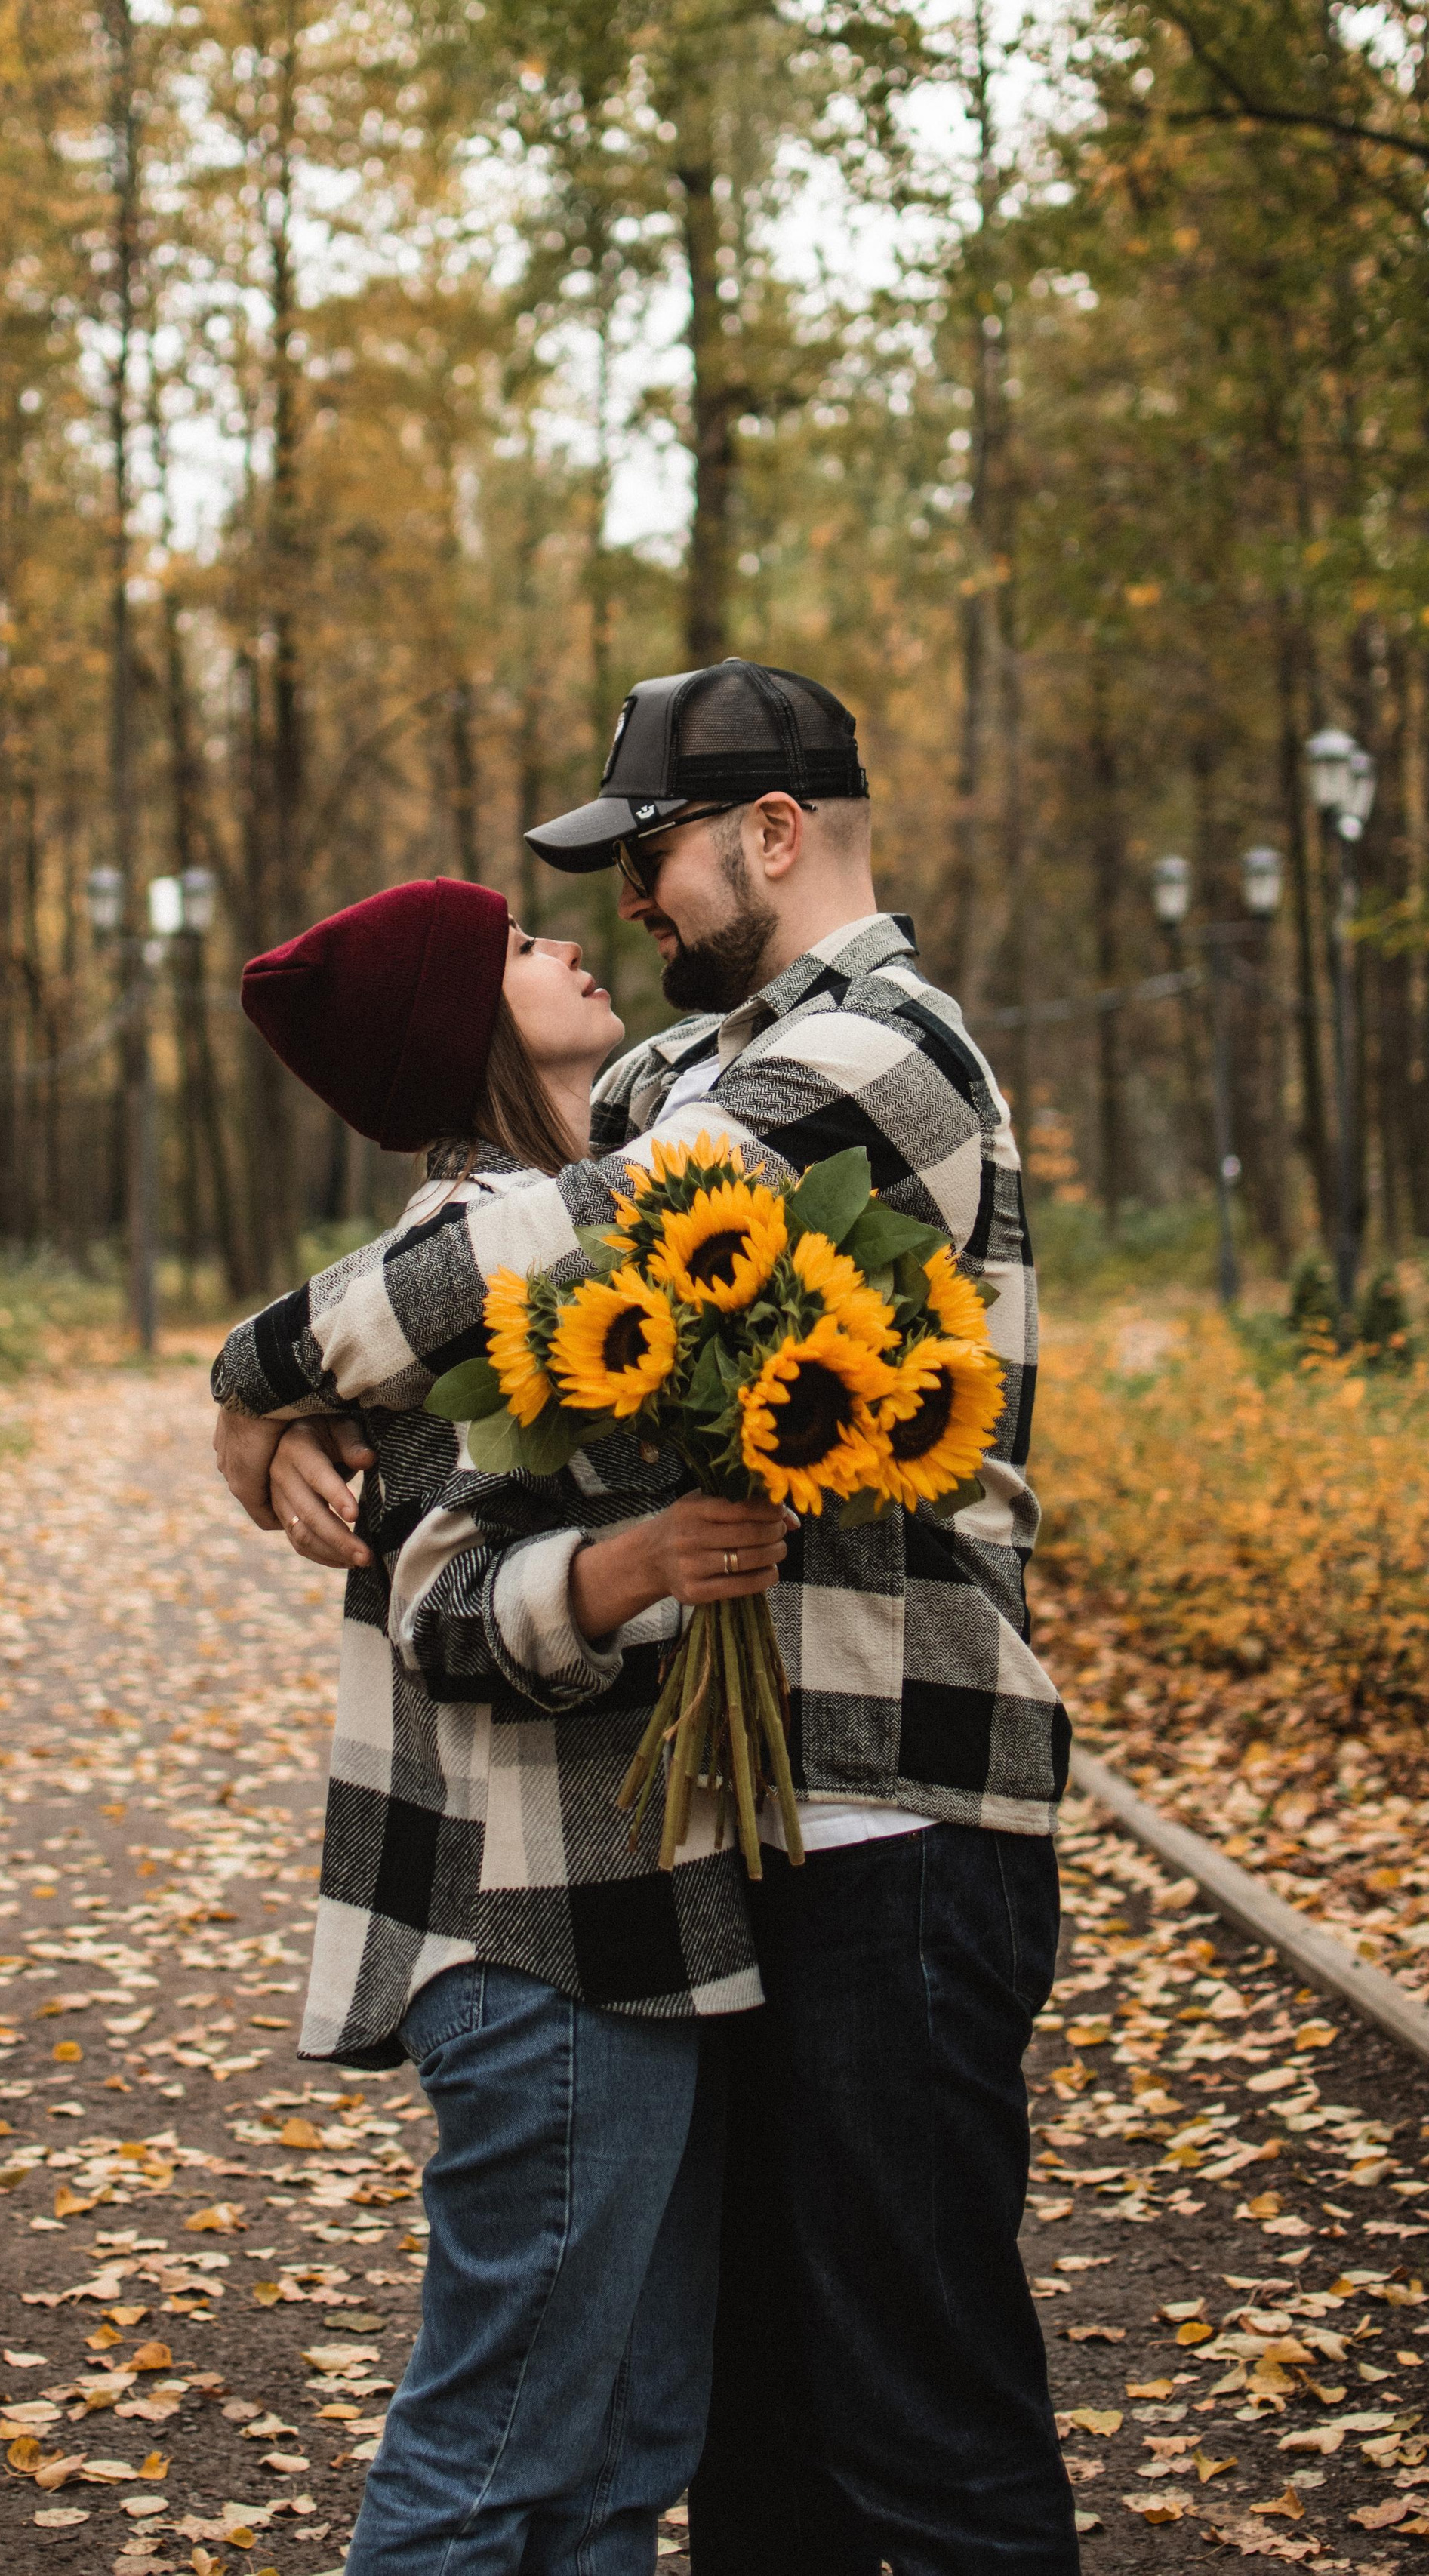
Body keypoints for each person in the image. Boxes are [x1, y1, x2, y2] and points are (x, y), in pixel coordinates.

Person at [216, 660, 1080, 2576]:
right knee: (750, 2435)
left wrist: (246, 1373)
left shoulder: (884, 1054)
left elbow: (574, 1235)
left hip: (900, 1822)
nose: (628, 901)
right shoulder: (667, 1069)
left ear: (775, 836)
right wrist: (284, 1426)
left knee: (923, 2426)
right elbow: (471, 1233)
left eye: (653, 853)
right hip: (744, 1855)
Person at [232, 873, 780, 2576]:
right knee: (491, 2462)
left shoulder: (585, 1221)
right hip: (541, 1955)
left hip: (648, 1936)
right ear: (468, 1019)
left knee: (619, 2461)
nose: (564, 944)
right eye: (513, 948)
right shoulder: (463, 1274)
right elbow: (443, 1610)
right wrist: (633, 1566)